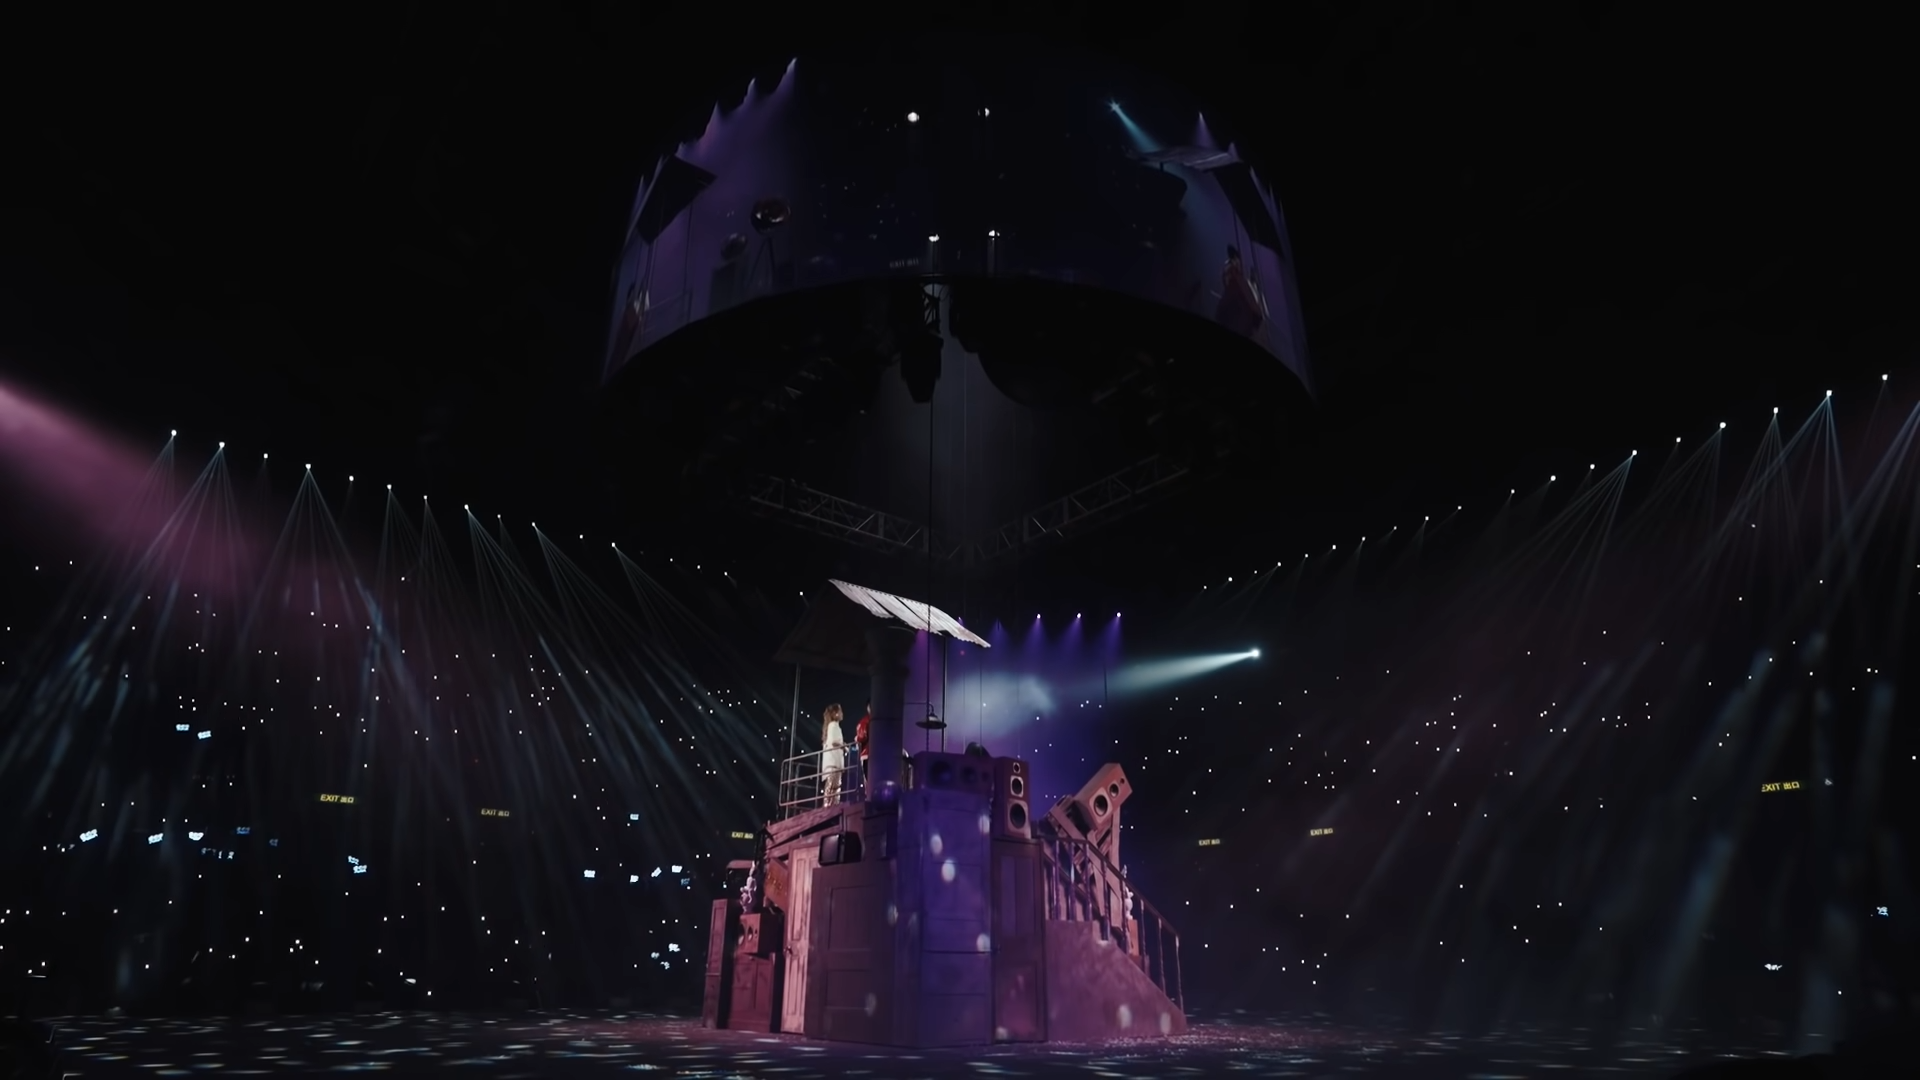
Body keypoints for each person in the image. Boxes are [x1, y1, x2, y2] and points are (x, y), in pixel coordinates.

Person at [819, 704, 848, 804]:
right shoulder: (833, 725)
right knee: (833, 789)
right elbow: (834, 741)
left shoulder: (832, 726)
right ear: (835, 714)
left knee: (833, 789)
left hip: (833, 764)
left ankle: (831, 806)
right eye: (840, 711)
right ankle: (829, 808)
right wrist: (844, 746)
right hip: (833, 764)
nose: (842, 713)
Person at [854, 702, 872, 797]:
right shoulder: (883, 721)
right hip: (880, 754)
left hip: (866, 754)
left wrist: (856, 738)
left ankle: (869, 798)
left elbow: (862, 737)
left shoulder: (865, 721)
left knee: (868, 781)